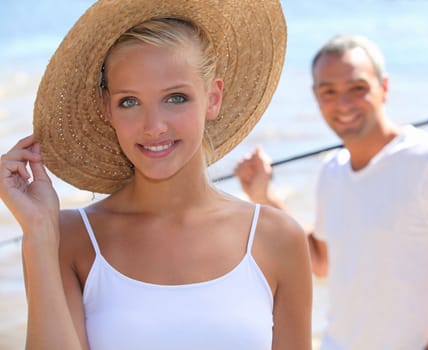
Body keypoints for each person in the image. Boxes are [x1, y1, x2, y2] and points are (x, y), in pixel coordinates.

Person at [0, 1, 313, 349]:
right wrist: (39, 233)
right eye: (130, 102)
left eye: (175, 97)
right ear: (108, 108)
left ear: (213, 98)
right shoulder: (67, 240)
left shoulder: (277, 238)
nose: (153, 127)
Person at [234, 34, 428, 350]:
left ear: (384, 87)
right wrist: (265, 198)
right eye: (329, 92)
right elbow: (322, 262)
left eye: (357, 88)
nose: (343, 103)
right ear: (316, 97)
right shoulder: (332, 170)